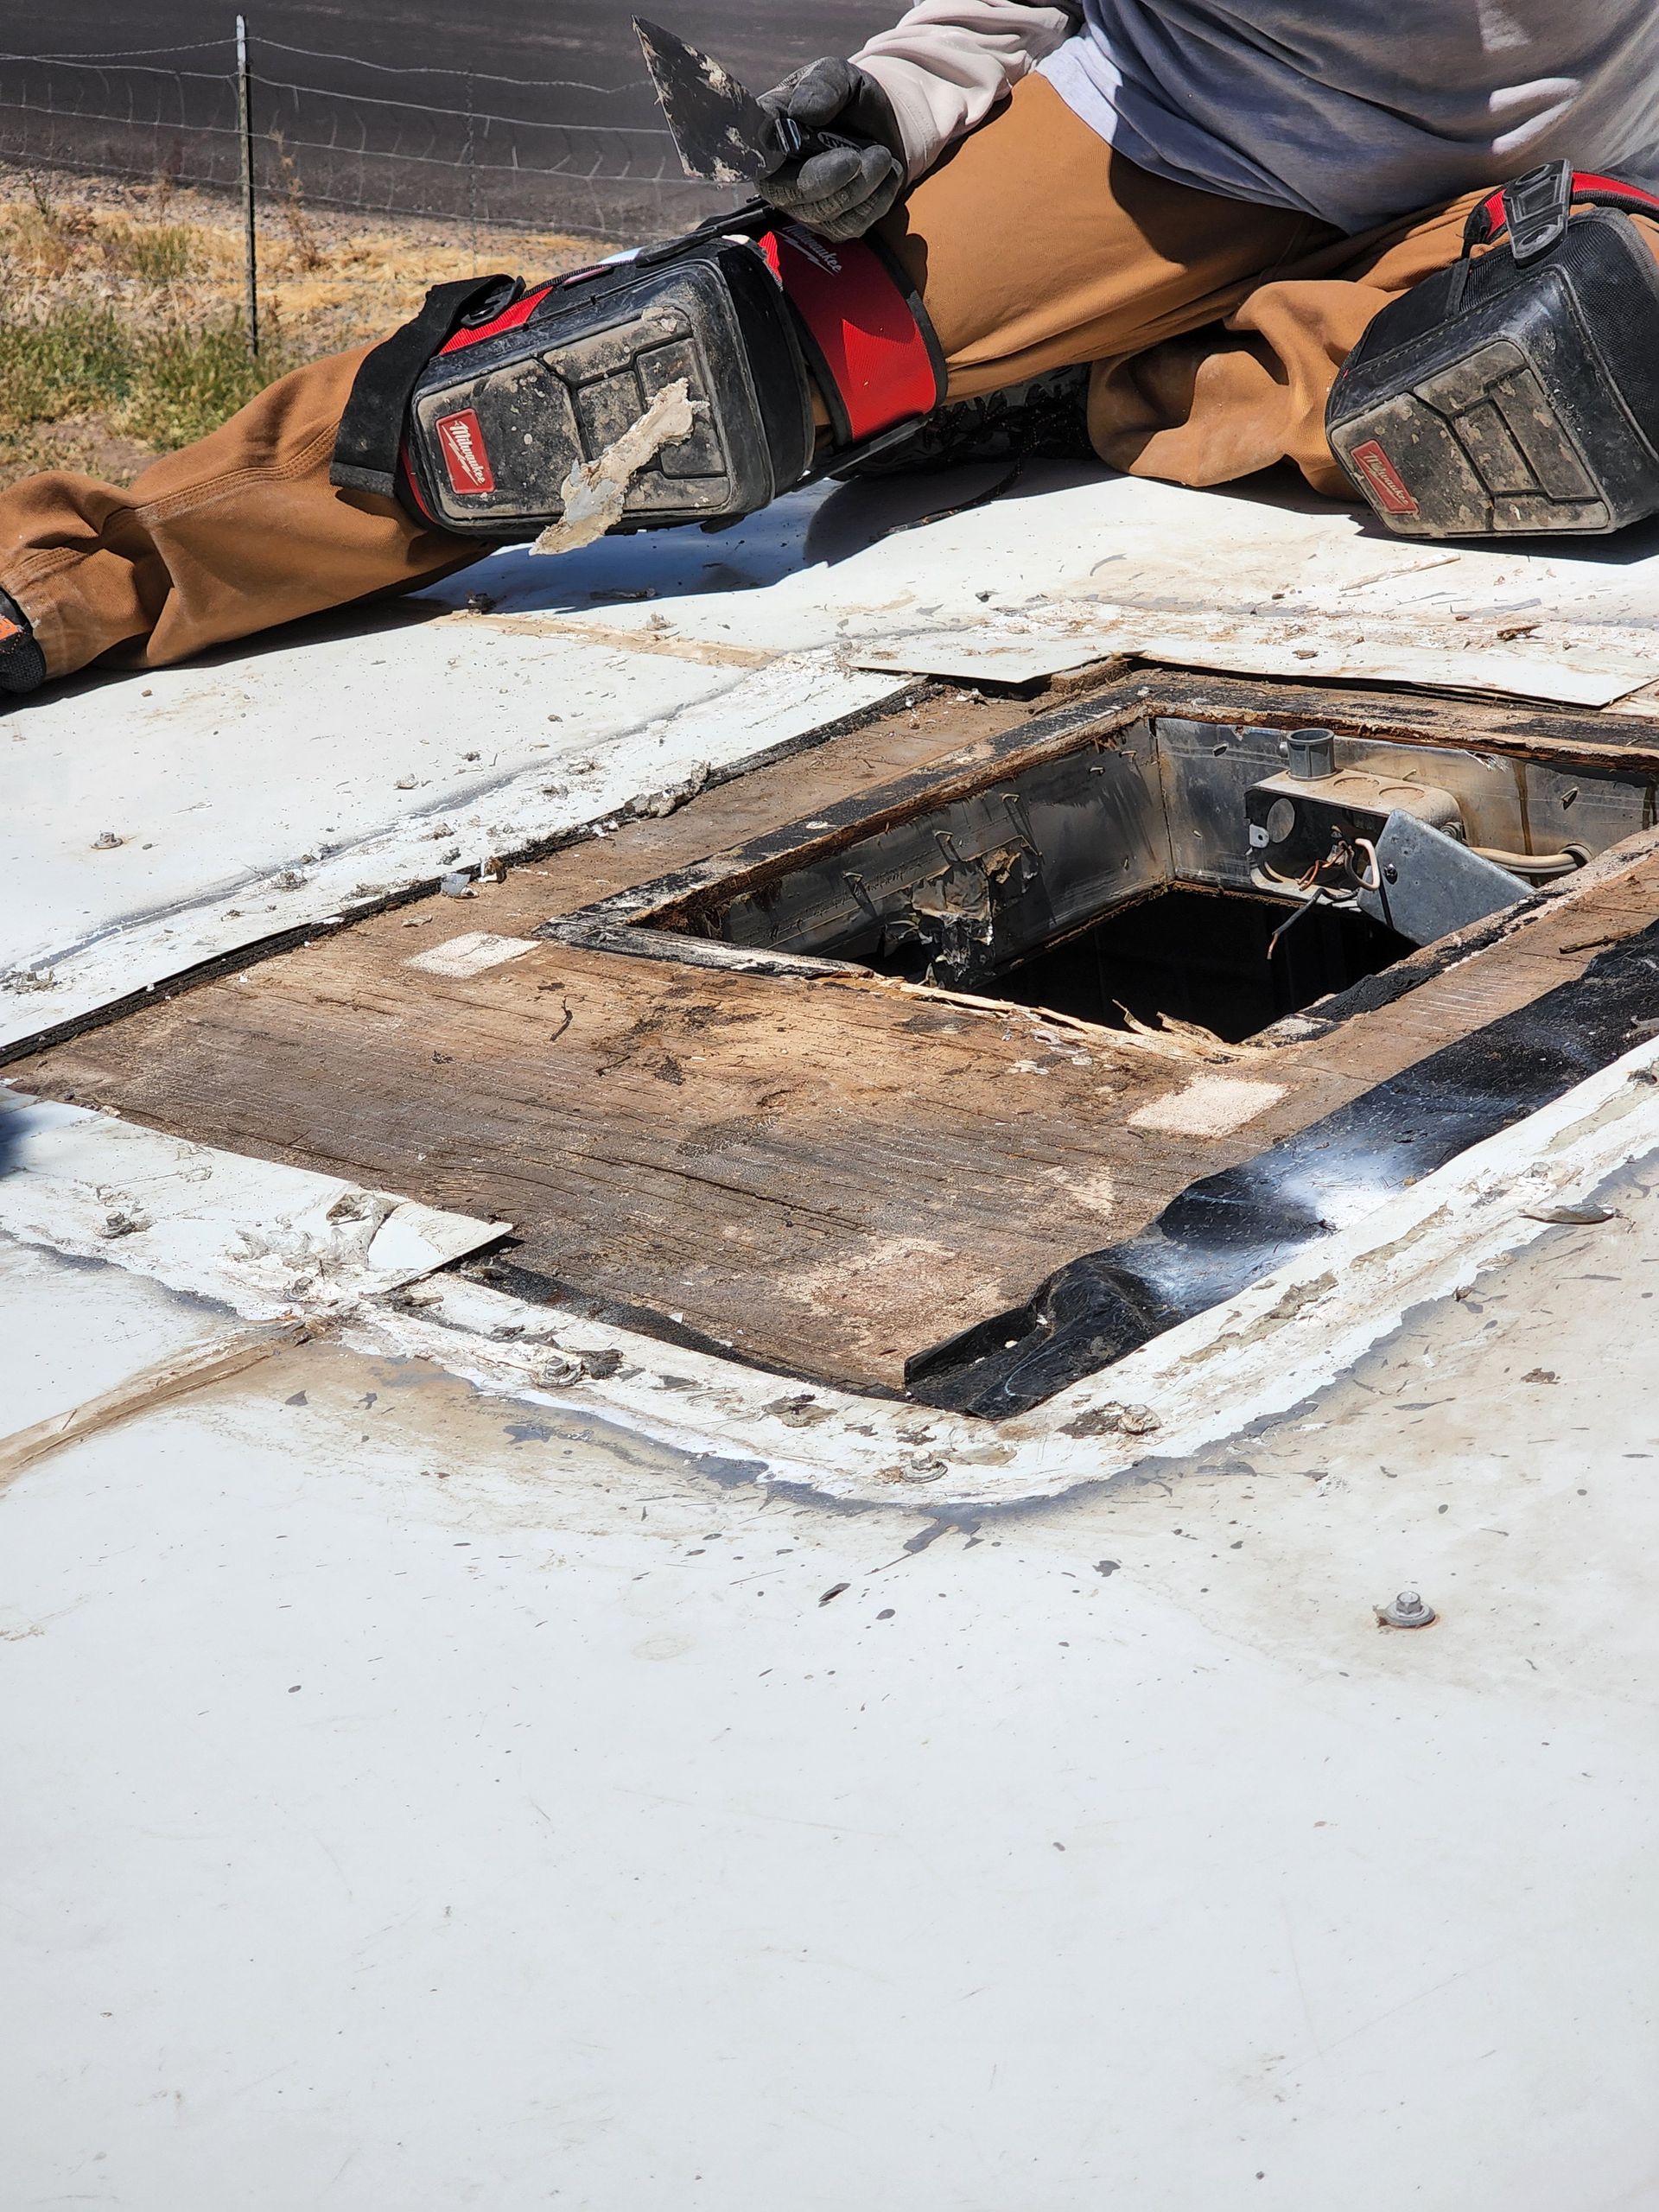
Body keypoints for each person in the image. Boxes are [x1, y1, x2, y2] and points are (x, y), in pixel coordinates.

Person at [3, 0, 1658, 698]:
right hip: (1194, 123)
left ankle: (1101, 382)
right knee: (658, 368)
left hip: (1595, 159)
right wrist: (894, 100)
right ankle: (97, 572)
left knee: (1591, 345)